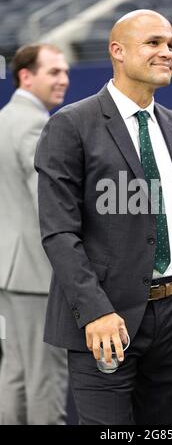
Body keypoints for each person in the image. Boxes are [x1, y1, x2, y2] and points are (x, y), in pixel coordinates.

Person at [34, 10, 172, 425]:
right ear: (117, 52)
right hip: (106, 317)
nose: (167, 52)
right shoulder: (71, 125)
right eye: (154, 43)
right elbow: (59, 233)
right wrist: (95, 311)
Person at [0, 44, 70, 424]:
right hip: (36, 275)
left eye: (65, 71)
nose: (64, 79)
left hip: (9, 273)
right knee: (44, 378)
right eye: (54, 72)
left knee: (15, 373)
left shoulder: (4, 118)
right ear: (26, 76)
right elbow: (49, 202)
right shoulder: (34, 123)